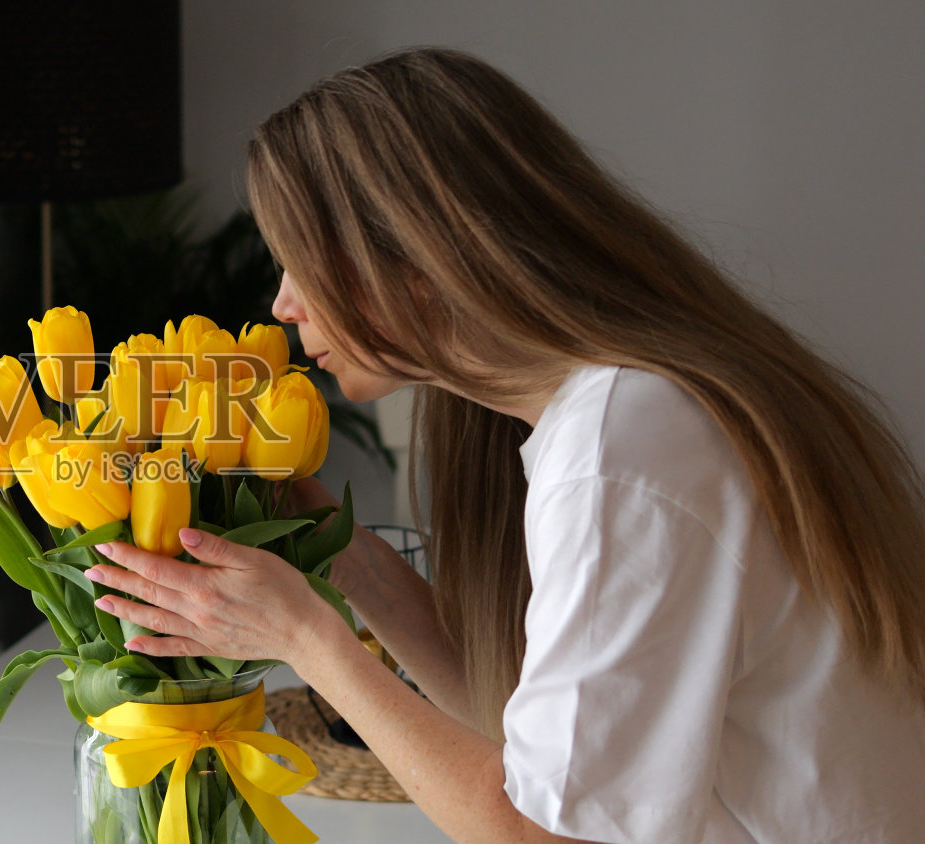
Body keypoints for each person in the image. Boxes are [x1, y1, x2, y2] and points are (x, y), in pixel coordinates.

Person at [81, 47, 925, 843]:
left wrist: (309, 640)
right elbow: (531, 748)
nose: (282, 305)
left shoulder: (625, 445)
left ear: (419, 250)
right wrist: (340, 560)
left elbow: (542, 832)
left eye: (299, 259)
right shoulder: (614, 409)